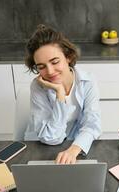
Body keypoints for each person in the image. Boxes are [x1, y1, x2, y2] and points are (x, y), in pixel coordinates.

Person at [23, 25, 101, 164]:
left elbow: (92, 125)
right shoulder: (38, 87)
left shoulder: (87, 81)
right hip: (43, 147)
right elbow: (51, 138)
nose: (50, 71)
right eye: (41, 66)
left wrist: (74, 149)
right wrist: (60, 94)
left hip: (76, 144)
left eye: (55, 62)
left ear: (68, 57)